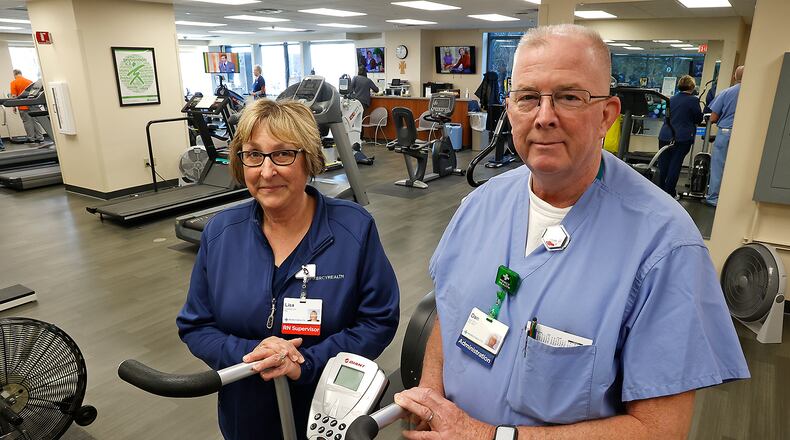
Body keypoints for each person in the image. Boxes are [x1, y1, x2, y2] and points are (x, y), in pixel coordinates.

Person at [394, 24, 749, 439]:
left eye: (569, 97)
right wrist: (431, 395)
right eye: (528, 97)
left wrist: (489, 436)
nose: (544, 117)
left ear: (606, 115)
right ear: (510, 109)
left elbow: (659, 430)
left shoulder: (665, 247)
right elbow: (449, 312)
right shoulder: (480, 205)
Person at [177, 99, 400, 440]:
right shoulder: (221, 232)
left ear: (309, 159)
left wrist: (304, 362)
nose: (267, 171)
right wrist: (253, 356)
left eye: (283, 154)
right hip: (245, 412)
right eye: (254, 155)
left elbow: (377, 320)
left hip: (327, 414)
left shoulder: (353, 228)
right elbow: (196, 325)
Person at [657, 75, 703, 198]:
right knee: (675, 165)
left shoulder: (670, 99)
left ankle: (660, 192)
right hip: (682, 137)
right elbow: (698, 118)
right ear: (692, 87)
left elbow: (667, 116)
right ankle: (669, 193)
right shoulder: (693, 100)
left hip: (665, 135)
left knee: (663, 166)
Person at [706, 65, 744, 207]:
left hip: (726, 131)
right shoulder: (752, 93)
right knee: (738, 165)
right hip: (743, 134)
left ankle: (713, 198)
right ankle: (731, 198)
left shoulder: (727, 92)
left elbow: (713, 117)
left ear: (735, 76)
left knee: (718, 165)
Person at [10, 69, 45, 143]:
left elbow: (14, 96)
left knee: (27, 122)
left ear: (14, 74)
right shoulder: (30, 81)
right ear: (21, 73)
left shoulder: (13, 82)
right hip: (33, 104)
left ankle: (31, 138)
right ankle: (40, 137)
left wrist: (14, 107)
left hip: (22, 106)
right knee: (36, 121)